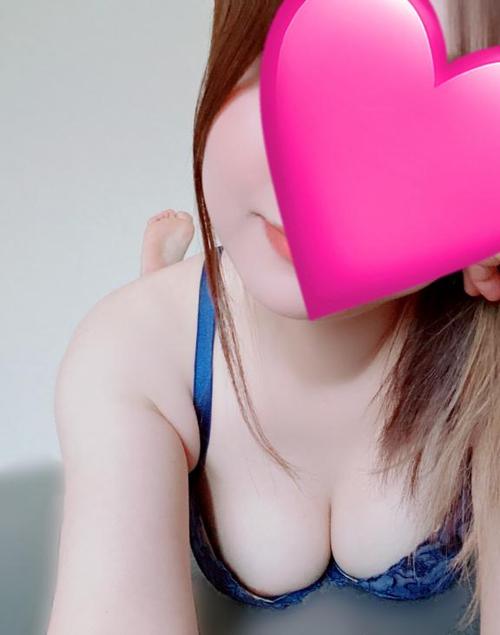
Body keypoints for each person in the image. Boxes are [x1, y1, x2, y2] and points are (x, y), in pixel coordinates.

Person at [46, 1, 500, 634]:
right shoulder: (125, 354)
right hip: (185, 345)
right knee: (149, 323)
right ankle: (163, 274)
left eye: (407, 123)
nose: (318, 174)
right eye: (291, 65)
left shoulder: (481, 342)